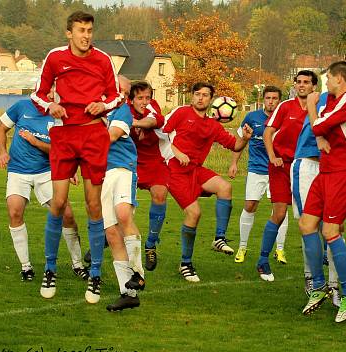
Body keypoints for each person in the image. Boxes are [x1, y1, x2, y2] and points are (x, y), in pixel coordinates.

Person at [30, 10, 122, 300]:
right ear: (69, 33)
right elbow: (38, 94)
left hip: (94, 135)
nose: (86, 36)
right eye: (80, 30)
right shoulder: (55, 57)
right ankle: (49, 269)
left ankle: (94, 274)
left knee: (94, 206)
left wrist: (102, 105)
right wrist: (50, 107)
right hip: (65, 136)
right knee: (58, 203)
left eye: (89, 30)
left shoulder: (103, 59)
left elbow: (117, 95)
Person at [299, 61, 346, 323]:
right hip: (327, 170)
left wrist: (311, 105)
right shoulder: (335, 99)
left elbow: (318, 125)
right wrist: (319, 134)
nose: (326, 83)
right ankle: (318, 287)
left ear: (340, 78)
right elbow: (320, 130)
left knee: (330, 231)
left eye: (328, 78)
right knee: (306, 225)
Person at [163, 82, 250, 282]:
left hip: (196, 170)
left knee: (225, 187)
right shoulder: (181, 113)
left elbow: (234, 145)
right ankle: (185, 264)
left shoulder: (212, 125)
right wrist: (176, 152)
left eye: (205, 95)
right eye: (197, 94)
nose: (200, 98)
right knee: (194, 213)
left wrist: (244, 138)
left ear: (211, 100)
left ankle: (219, 239)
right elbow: (162, 134)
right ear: (192, 96)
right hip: (175, 171)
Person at [0, 97, 88, 282]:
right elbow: (1, 129)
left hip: (47, 171)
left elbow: (61, 149)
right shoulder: (22, 106)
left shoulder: (62, 114)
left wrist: (37, 143)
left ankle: (78, 264)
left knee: (67, 215)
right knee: (14, 212)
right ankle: (26, 267)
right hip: (18, 171)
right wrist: (2, 152)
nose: (52, 92)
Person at [255, 71, 316, 281]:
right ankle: (263, 260)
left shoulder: (318, 109)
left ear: (313, 87)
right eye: (298, 82)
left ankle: (314, 267)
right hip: (281, 166)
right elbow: (268, 133)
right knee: (279, 214)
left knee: (311, 217)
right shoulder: (285, 106)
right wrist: (272, 156)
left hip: (306, 167)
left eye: (306, 82)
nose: (301, 85)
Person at [228, 86, 288, 264]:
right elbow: (241, 141)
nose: (271, 101)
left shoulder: (285, 118)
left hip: (279, 170)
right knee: (250, 205)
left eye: (274, 98)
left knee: (280, 210)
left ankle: (280, 249)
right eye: (268, 98)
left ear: (279, 100)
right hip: (257, 169)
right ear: (263, 99)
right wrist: (233, 163)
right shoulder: (252, 117)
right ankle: (242, 246)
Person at [101, 75, 144, 310]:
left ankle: (138, 273)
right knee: (111, 233)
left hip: (122, 168)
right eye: (122, 90)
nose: (124, 95)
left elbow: (111, 136)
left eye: (126, 92)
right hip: (100, 175)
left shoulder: (123, 111)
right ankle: (128, 294)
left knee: (123, 215)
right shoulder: (94, 109)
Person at [128, 81, 168, 271]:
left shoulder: (152, 107)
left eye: (148, 97)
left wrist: (135, 123)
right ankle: (107, 236)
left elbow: (154, 121)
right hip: (129, 161)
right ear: (132, 99)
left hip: (153, 160)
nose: (145, 101)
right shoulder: (123, 108)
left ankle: (151, 244)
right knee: (123, 203)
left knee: (160, 194)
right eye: (140, 98)